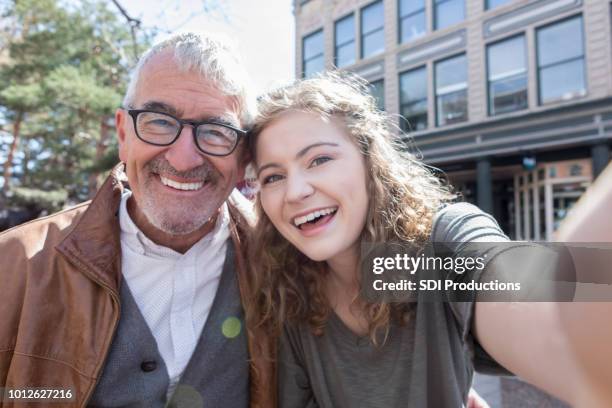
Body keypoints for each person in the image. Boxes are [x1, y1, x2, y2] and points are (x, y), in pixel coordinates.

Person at [245, 73, 612, 407]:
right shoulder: (288, 291)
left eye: (319, 159)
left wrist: (578, 299)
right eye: (273, 177)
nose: (295, 191)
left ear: (368, 161)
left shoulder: (431, 252)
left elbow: (541, 298)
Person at [0, 32, 272, 407]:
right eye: (159, 122)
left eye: (215, 132)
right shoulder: (13, 266)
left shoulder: (284, 262)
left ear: (243, 156)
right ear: (123, 134)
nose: (183, 159)